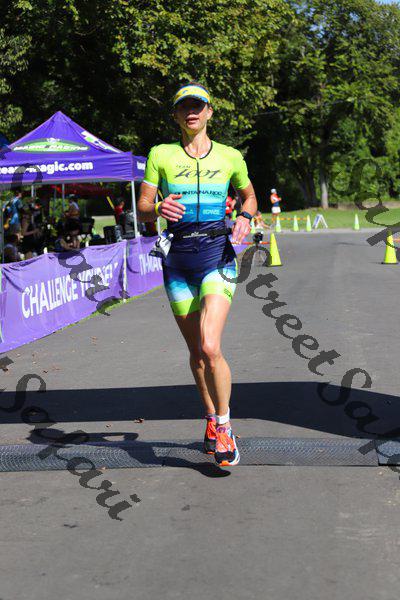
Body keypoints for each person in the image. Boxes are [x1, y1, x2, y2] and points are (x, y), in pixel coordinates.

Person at [137, 82, 257, 467]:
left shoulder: (231, 156)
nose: (192, 112)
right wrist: (158, 208)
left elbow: (250, 196)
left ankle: (224, 425)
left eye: (198, 106)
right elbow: (142, 206)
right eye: (184, 107)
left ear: (209, 112)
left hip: (216, 255)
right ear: (176, 115)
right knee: (196, 354)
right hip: (177, 261)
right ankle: (210, 417)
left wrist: (245, 215)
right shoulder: (161, 154)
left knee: (209, 345)